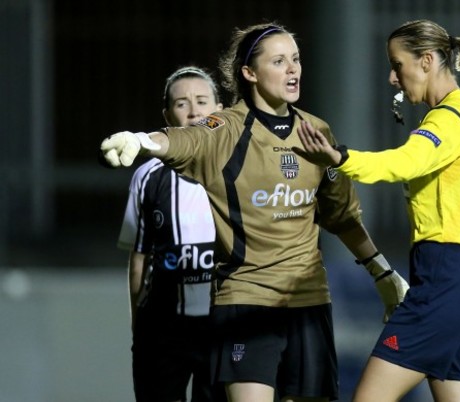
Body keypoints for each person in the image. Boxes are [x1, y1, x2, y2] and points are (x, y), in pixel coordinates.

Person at [100, 22, 410, 402]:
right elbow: (185, 140)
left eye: (295, 59)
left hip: (308, 302)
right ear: (249, 73)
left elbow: (341, 216)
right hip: (245, 303)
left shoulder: (316, 131)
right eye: (279, 61)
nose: (293, 69)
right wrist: (142, 141)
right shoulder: (225, 129)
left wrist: (381, 272)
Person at [293, 19, 460, 402]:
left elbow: (404, 162)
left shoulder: (448, 120)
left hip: (447, 276)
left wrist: (340, 157)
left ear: (427, 61)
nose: (393, 78)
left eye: (398, 65)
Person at [117, 66, 225, 402]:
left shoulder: (239, 168)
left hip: (222, 325)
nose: (194, 111)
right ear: (167, 115)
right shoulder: (148, 176)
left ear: (219, 111)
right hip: (164, 328)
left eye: (202, 101)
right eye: (182, 103)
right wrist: (138, 327)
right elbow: (139, 260)